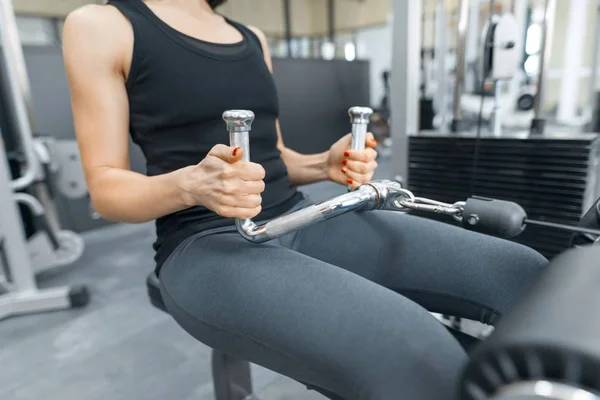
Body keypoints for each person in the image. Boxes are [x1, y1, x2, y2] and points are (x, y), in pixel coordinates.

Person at [62, 1, 547, 398]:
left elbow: (273, 158)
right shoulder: (104, 26)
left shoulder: (251, 37)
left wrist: (323, 166)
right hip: (205, 245)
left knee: (524, 274)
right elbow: (105, 190)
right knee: (417, 354)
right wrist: (190, 184)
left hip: (299, 216)